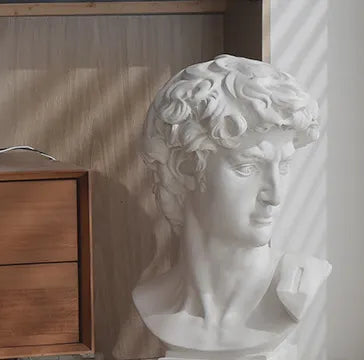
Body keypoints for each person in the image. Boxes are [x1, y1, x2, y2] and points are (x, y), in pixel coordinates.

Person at [125, 54, 328, 360]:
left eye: (284, 166)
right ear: (185, 168)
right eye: (248, 167)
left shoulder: (297, 286)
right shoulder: (152, 300)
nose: (275, 195)